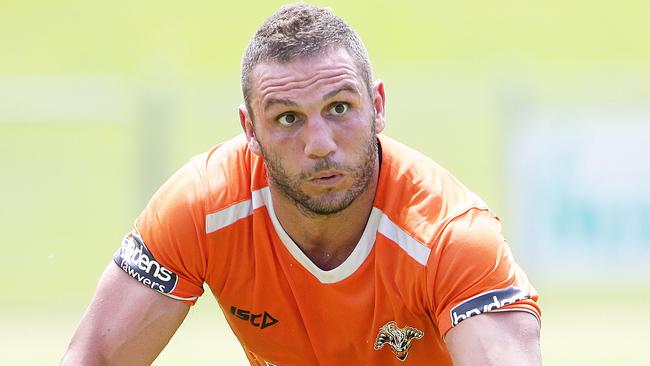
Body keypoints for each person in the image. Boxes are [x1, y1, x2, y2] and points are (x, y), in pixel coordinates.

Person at [61, 3, 541, 365]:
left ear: (377, 106)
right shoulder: (203, 206)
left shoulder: (450, 238)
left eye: (339, 108)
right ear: (250, 131)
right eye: (288, 117)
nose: (319, 145)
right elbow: (94, 358)